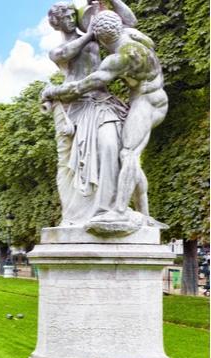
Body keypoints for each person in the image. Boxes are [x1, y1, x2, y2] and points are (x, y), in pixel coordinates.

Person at [42, 9, 167, 226]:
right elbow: (130, 21)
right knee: (128, 154)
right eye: (66, 17)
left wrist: (51, 92)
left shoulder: (117, 59)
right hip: (144, 99)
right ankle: (143, 215)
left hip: (143, 102)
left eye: (74, 16)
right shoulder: (131, 36)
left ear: (101, 37)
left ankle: (119, 211)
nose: (74, 20)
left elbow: (81, 86)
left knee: (127, 153)